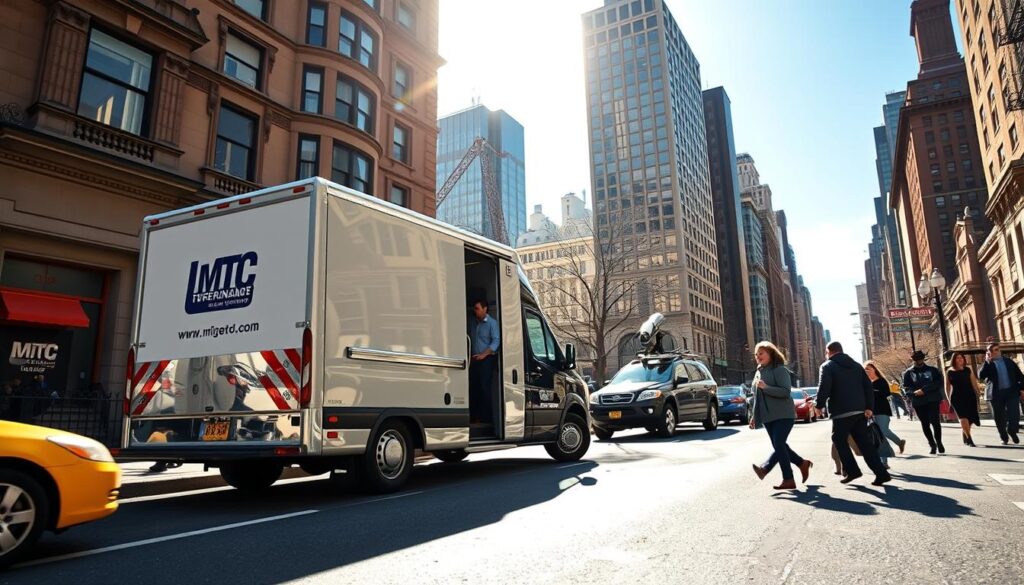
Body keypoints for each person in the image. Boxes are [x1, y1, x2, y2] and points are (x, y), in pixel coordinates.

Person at [814, 341, 891, 486]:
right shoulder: (856, 365)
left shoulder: (827, 366)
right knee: (864, 443)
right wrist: (869, 407)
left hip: (841, 411)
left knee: (838, 438)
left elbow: (824, 386)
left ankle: (853, 470)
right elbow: (868, 387)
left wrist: (819, 405)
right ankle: (881, 473)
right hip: (860, 411)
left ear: (828, 351)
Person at [749, 342, 811, 490]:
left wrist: (766, 387)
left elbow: (785, 392)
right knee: (780, 446)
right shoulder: (759, 372)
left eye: (761, 353)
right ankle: (802, 463)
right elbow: (757, 396)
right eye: (756, 355)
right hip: (767, 416)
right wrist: (754, 416)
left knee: (778, 444)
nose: (758, 357)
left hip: (784, 415)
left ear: (771, 353)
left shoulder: (780, 369)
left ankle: (785, 478)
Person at [978, 342, 1024, 445]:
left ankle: (1012, 431)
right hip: (996, 395)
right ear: (989, 353)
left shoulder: (1009, 362)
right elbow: (981, 376)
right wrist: (987, 362)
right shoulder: (988, 364)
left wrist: (1022, 389)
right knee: (999, 417)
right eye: (994, 350)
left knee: (1014, 415)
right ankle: (1004, 437)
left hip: (1011, 392)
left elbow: (1020, 376)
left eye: (998, 349)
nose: (997, 351)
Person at [902, 350, 945, 454]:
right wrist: (913, 393)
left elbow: (939, 382)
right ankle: (932, 444)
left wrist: (924, 390)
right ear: (913, 360)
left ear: (923, 359)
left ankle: (939, 442)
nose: (918, 361)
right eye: (916, 359)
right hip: (918, 401)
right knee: (925, 424)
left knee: (935, 422)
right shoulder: (908, 373)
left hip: (932, 399)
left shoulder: (933, 370)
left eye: (920, 359)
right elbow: (905, 387)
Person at [864, 361, 903, 467]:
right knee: (879, 435)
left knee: (883, 432)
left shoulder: (881, 381)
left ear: (874, 370)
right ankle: (884, 462)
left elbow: (886, 393)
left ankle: (898, 443)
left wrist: (872, 391)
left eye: (869, 368)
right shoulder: (866, 383)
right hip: (871, 412)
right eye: (865, 369)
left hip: (882, 410)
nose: (867, 370)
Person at [468, 298, 500, 424]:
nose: (475, 311)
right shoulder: (473, 322)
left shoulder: (492, 323)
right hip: (474, 359)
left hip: (487, 360)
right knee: (473, 388)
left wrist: (484, 354)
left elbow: (496, 341)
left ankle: (486, 418)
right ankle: (474, 416)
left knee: (484, 388)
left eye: (477, 308)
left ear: (485, 309)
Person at [947, 352, 981, 447]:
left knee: (970, 419)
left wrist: (978, 394)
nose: (960, 359)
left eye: (961, 358)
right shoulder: (950, 371)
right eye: (957, 358)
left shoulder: (968, 370)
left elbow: (974, 383)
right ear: (954, 360)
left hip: (970, 396)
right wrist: (949, 399)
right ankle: (969, 439)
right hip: (956, 398)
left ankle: (965, 433)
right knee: (963, 418)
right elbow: (947, 387)